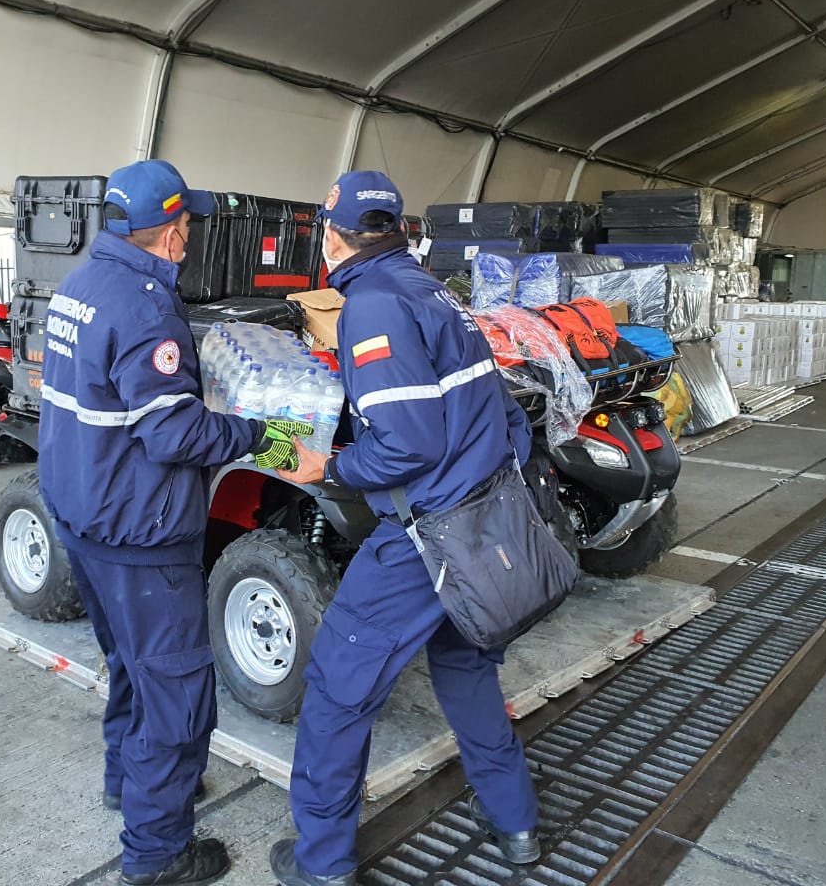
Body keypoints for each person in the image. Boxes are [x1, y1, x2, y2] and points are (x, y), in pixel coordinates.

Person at [38, 159, 308, 886]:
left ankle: (128, 784)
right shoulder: (145, 307)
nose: (190, 235)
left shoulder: (82, 284)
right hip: (139, 529)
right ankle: (157, 856)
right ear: (170, 230)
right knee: (179, 694)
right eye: (186, 222)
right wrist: (255, 435)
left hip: (84, 514)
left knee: (132, 661)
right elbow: (172, 434)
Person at [268, 170, 541, 886]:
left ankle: (321, 864)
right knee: (463, 667)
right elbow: (507, 418)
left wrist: (327, 466)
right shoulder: (432, 291)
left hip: (427, 536)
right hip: (486, 520)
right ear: (397, 228)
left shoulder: (375, 305)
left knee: (336, 685)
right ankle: (516, 825)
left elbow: (406, 444)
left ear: (331, 236)